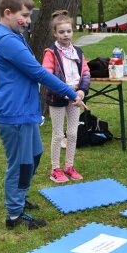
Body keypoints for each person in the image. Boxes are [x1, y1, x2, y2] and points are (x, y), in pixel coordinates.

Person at [0, 0, 81, 230]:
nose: (28, 21)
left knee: (35, 154)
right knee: (19, 163)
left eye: (29, 17)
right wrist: (70, 93)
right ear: (7, 13)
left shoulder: (11, 35)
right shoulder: (7, 41)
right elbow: (38, 72)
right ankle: (14, 214)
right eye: (25, 16)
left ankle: (20, 196)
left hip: (22, 110)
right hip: (12, 111)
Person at [42, 10, 91, 183]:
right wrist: (66, 92)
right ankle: (55, 168)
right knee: (58, 135)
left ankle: (69, 166)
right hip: (57, 98)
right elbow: (47, 76)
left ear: (72, 31)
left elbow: (85, 72)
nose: (65, 35)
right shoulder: (51, 53)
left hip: (76, 98)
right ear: (55, 33)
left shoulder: (78, 52)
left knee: (72, 133)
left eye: (68, 31)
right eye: (61, 32)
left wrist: (82, 91)